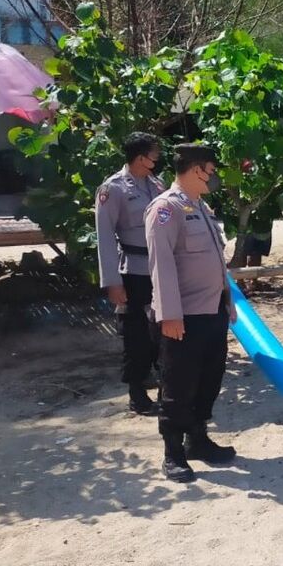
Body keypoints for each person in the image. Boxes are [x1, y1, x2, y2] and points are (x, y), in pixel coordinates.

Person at [146, 143, 238, 483]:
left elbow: (217, 261)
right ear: (196, 169)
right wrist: (169, 315)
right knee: (178, 383)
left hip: (211, 311)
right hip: (182, 316)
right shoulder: (166, 209)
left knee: (208, 379)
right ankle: (173, 452)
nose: (212, 178)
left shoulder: (200, 207)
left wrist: (227, 302)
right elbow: (162, 266)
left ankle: (197, 439)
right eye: (210, 172)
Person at [95, 132, 165, 415]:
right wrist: (112, 282)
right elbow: (105, 237)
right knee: (136, 334)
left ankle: (164, 386)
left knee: (162, 331)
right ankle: (137, 393)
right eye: (154, 156)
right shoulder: (114, 189)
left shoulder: (156, 185)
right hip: (132, 271)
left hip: (159, 270)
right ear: (140, 158)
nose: (157, 160)